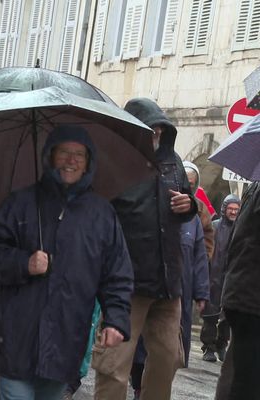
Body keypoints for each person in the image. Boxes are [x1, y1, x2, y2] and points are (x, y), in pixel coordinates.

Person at [0, 125, 133, 400]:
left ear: (88, 163)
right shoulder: (21, 203)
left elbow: (117, 272)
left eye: (79, 155)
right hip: (18, 334)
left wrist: (116, 319)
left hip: (66, 337)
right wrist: (24, 263)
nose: (71, 160)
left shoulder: (101, 214)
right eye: (64, 152)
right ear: (50, 156)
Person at [93, 98, 198, 400]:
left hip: (168, 280)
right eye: (149, 130)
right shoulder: (113, 163)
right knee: (114, 363)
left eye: (159, 131)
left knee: (168, 359)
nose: (155, 136)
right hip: (128, 281)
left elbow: (188, 202)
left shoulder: (173, 161)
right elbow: (99, 219)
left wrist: (188, 205)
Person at [130, 214, 210, 399]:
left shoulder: (193, 220)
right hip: (144, 289)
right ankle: (138, 387)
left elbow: (200, 256)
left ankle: (148, 390)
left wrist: (202, 292)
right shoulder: (148, 206)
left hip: (179, 294)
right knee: (138, 350)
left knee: (170, 354)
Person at [217, 182, 260, 399]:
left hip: (243, 293)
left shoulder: (254, 189)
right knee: (248, 383)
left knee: (238, 372)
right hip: (251, 298)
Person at [201, 194, 240, 363]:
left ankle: (221, 344)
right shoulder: (215, 226)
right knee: (210, 313)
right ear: (225, 209)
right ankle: (208, 347)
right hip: (214, 276)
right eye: (230, 209)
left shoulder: (241, 229)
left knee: (228, 315)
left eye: (236, 210)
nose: (233, 212)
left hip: (232, 277)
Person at [183, 161, 215, 260]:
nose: (187, 186)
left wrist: (202, 259)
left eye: (191, 183)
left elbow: (208, 237)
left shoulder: (201, 208)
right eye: (184, 181)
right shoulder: (166, 200)